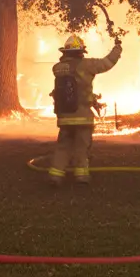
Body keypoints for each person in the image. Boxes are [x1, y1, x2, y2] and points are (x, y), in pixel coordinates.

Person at [47, 33, 121, 186]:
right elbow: (107, 63)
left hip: (64, 116)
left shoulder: (58, 68)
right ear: (81, 52)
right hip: (82, 116)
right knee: (82, 146)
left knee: (63, 145)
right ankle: (81, 176)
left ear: (65, 52)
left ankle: (55, 175)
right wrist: (117, 49)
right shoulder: (87, 65)